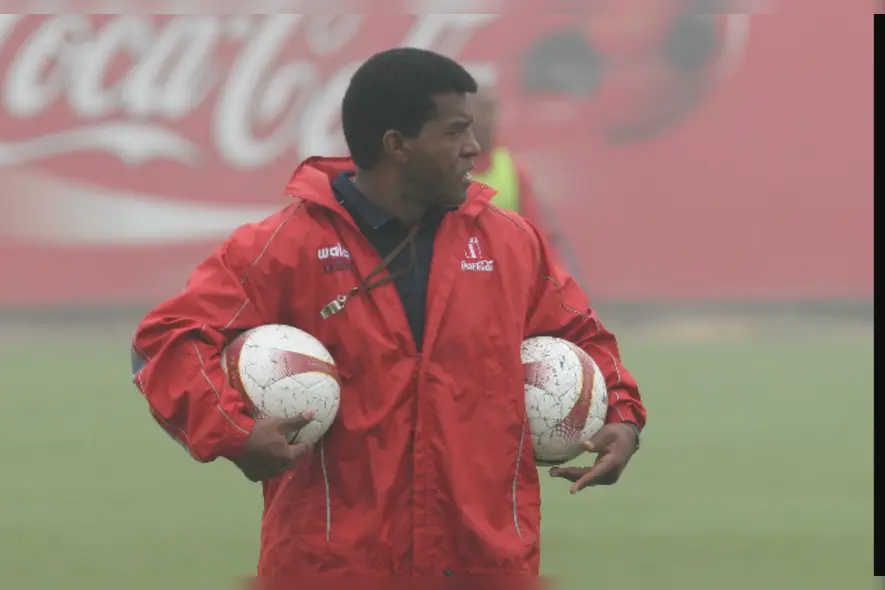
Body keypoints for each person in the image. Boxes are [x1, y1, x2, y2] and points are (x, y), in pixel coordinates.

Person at [130, 47, 646, 580]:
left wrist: (624, 419)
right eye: (454, 132)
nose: (475, 147)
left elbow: (583, 336)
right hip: (333, 571)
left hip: (487, 567)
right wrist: (234, 433)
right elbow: (166, 339)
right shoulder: (288, 246)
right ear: (397, 145)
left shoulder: (510, 242)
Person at [468, 85, 582, 278]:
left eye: (490, 110)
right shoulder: (442, 169)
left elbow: (541, 237)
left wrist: (560, 281)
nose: (487, 119)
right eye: (480, 109)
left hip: (503, 281)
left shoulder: (512, 170)